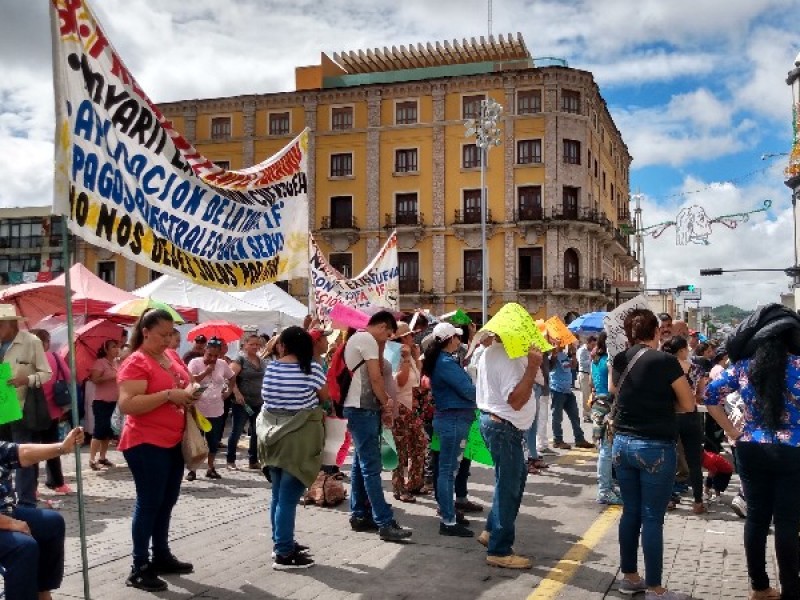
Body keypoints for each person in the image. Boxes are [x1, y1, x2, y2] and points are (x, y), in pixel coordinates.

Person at [705, 304, 800, 600]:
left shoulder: (744, 368)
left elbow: (709, 396)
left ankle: (759, 587)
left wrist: (732, 431)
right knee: (787, 521)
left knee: (757, 519)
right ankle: (791, 590)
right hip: (793, 450)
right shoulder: (798, 366)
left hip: (750, 447)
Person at [610, 308, 695, 600]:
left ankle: (630, 577)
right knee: (652, 517)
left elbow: (613, 389)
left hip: (623, 444)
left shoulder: (620, 359)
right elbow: (688, 404)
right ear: (657, 332)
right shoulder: (666, 362)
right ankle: (656, 589)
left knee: (630, 512)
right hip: (655, 446)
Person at [118, 308, 201, 592]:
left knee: (167, 501)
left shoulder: (170, 356)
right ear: (145, 332)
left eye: (171, 334)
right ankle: (139, 566)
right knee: (150, 502)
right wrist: (168, 395)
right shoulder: (136, 362)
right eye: (163, 334)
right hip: (145, 441)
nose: (168, 340)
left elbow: (184, 380)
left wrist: (190, 391)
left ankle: (161, 554)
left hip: (172, 439)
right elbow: (128, 404)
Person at [258, 326, 327, 569]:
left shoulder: (272, 368)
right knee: (288, 497)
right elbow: (324, 396)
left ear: (283, 345)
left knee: (277, 495)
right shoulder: (312, 369)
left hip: (272, 436)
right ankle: (284, 554)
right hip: (298, 438)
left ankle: (280, 541)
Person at [343, 311, 412, 542]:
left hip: (360, 408)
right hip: (362, 407)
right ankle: (384, 521)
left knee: (360, 465)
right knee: (371, 467)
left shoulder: (362, 340)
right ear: (382, 327)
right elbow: (376, 377)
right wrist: (387, 404)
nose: (389, 339)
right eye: (389, 334)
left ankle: (359, 514)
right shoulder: (366, 339)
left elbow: (380, 368)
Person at [476, 334, 543, 569]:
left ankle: (491, 530)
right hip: (504, 427)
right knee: (510, 488)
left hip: (498, 425)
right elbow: (516, 400)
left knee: (505, 482)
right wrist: (532, 367)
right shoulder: (506, 356)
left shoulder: (490, 352)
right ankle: (500, 549)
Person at [0, 426, 84, 600]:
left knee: (52, 523)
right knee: (23, 546)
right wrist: (11, 524)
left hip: (5, 512)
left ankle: (41, 591)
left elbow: (21, 452)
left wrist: (63, 447)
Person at [422, 322, 477, 537]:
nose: (459, 340)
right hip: (452, 419)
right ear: (450, 339)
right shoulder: (445, 363)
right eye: (457, 337)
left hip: (453, 419)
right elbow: (467, 390)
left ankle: (449, 515)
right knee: (447, 471)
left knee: (447, 470)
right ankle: (448, 520)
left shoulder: (445, 360)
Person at [0, 304, 52, 507]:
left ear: (10, 324)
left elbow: (46, 373)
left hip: (21, 408)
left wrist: (27, 380)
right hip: (2, 407)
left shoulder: (31, 341)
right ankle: (4, 499)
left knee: (23, 455)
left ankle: (26, 501)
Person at [661, 336, 708, 515]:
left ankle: (669, 499)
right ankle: (697, 502)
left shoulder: (664, 368)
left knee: (669, 460)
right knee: (694, 462)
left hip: (670, 417)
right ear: (681, 350)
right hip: (691, 417)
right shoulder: (696, 369)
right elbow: (700, 395)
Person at [187, 337, 239, 480]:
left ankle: (211, 468)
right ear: (205, 351)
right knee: (197, 441)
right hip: (197, 409)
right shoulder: (195, 362)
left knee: (213, 441)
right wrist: (206, 372)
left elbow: (232, 377)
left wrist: (228, 391)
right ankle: (193, 469)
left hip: (216, 409)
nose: (213, 358)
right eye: (210, 355)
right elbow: (191, 380)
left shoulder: (222, 364)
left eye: (216, 356)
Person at [29, 329, 72, 497]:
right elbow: (68, 377)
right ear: (46, 342)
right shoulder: (55, 357)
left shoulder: (25, 360)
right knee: (53, 447)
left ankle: (31, 487)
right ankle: (57, 483)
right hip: (52, 411)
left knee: (31, 449)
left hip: (30, 412)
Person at [391, 323, 425, 501]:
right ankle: (399, 487)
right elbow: (401, 382)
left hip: (411, 406)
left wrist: (416, 358)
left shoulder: (409, 355)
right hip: (401, 406)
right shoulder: (397, 355)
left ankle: (414, 482)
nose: (413, 338)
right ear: (404, 338)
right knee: (401, 449)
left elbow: (416, 380)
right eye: (411, 335)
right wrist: (406, 359)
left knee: (419, 444)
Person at [227, 334, 266, 471]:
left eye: (257, 344)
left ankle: (253, 460)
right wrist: (237, 393)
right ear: (245, 345)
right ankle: (230, 460)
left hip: (258, 402)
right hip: (242, 403)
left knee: (256, 432)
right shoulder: (240, 360)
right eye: (252, 344)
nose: (255, 347)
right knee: (236, 431)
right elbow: (230, 377)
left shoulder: (261, 361)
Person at [590, 332, 621, 505]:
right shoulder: (608, 360)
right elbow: (612, 387)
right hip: (607, 405)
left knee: (605, 448)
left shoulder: (596, 358)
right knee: (606, 450)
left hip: (597, 404)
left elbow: (592, 385)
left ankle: (607, 487)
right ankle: (604, 490)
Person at [549, 344, 594, 450]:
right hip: (557, 389)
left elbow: (573, 366)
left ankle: (579, 439)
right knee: (557, 416)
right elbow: (551, 366)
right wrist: (554, 352)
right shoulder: (552, 356)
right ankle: (558, 440)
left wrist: (573, 354)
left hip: (567, 390)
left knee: (575, 415)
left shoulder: (564, 355)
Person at [88, 339, 120, 471]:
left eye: (117, 347)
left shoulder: (116, 363)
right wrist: (111, 376)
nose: (116, 349)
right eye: (113, 347)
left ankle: (103, 457)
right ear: (106, 349)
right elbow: (94, 379)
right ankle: (91, 458)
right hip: (101, 401)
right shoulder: (100, 362)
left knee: (108, 431)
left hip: (114, 401)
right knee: (99, 431)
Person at [577, 336, 597, 422]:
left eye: (595, 345)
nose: (593, 346)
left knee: (591, 395)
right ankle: (586, 415)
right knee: (585, 395)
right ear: (588, 343)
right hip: (584, 374)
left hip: (590, 374)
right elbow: (582, 363)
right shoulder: (582, 350)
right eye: (592, 344)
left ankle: (590, 412)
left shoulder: (591, 351)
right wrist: (591, 359)